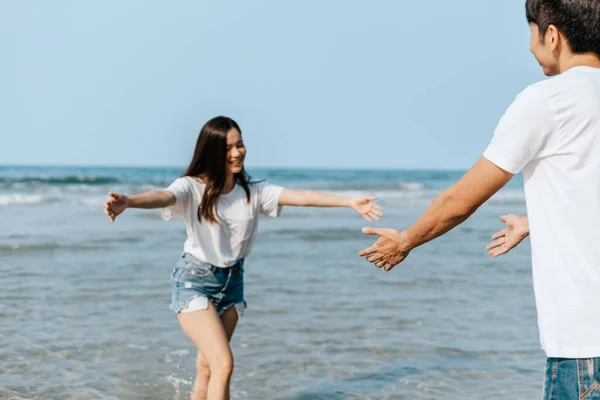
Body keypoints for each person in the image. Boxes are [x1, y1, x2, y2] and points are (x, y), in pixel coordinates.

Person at [359, 0, 600, 398]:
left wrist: (406, 240)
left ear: (552, 36)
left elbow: (462, 199)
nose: (529, 45)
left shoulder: (549, 101)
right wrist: (539, 220)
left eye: (532, 32)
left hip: (585, 347)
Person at [103, 116, 382, 400]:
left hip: (233, 285)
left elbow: (301, 196)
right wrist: (130, 201)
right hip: (194, 283)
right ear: (212, 151)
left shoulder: (254, 190)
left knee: (208, 368)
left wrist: (348, 201)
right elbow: (162, 196)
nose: (237, 153)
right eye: (228, 148)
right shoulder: (191, 187)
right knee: (224, 364)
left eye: (240, 145)